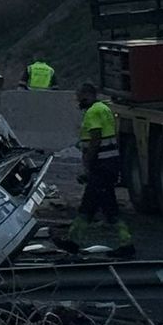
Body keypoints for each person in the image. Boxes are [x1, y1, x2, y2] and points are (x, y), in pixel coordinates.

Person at [65, 83, 133, 255]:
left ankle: (126, 244)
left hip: (101, 166)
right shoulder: (104, 109)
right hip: (108, 165)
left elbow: (95, 138)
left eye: (80, 97)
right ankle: (72, 241)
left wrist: (87, 164)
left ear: (88, 95)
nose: (78, 101)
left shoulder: (93, 112)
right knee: (89, 206)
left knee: (105, 208)